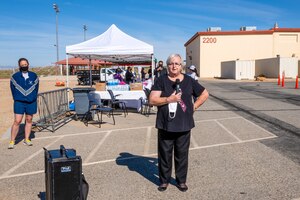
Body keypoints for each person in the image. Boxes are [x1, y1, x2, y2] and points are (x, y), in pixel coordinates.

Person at [149, 54, 209, 192]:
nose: (174, 66)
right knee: (164, 155)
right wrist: (169, 99)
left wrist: (194, 107)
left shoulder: (189, 81)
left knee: (182, 155)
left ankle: (181, 181)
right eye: (171, 63)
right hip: (166, 124)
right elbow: (152, 100)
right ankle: (164, 181)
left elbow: (205, 94)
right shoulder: (161, 80)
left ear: (181, 65)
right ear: (167, 65)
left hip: (184, 124)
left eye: (177, 63)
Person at [8, 58, 39, 149]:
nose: (24, 66)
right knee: (17, 121)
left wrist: (32, 97)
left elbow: (36, 88)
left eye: (25, 64)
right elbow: (12, 89)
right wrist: (18, 98)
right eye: (22, 65)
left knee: (29, 120)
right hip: (19, 102)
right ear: (19, 66)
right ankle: (12, 140)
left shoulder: (34, 76)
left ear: (28, 64)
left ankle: (27, 139)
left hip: (31, 102)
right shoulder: (15, 76)